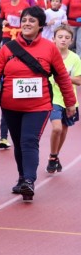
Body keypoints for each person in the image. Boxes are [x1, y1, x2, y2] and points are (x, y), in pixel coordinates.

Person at [0, 7, 77, 201]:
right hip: (10, 106)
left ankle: (29, 181)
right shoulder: (8, 48)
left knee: (29, 141)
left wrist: (70, 103)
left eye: (32, 21)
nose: (26, 23)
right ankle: (23, 177)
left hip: (38, 107)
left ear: (40, 25)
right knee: (18, 143)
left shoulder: (50, 49)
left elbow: (63, 79)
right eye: (24, 20)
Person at [46, 25, 81, 173]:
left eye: (67, 38)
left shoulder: (75, 58)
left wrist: (62, 76)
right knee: (57, 128)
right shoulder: (48, 55)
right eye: (60, 37)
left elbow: (79, 80)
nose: (63, 40)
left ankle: (54, 156)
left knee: (64, 130)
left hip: (69, 99)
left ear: (71, 41)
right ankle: (53, 156)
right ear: (53, 39)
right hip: (52, 98)